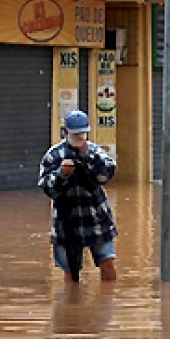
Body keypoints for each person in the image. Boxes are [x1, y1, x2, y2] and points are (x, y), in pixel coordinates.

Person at [40, 110, 119, 282]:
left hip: (96, 218)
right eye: (75, 134)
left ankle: (108, 301)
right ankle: (72, 304)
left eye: (82, 134)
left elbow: (106, 175)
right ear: (65, 132)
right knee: (70, 271)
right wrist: (61, 174)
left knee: (107, 262)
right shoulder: (53, 156)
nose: (79, 138)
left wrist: (88, 156)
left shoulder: (96, 152)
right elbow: (47, 189)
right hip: (66, 223)